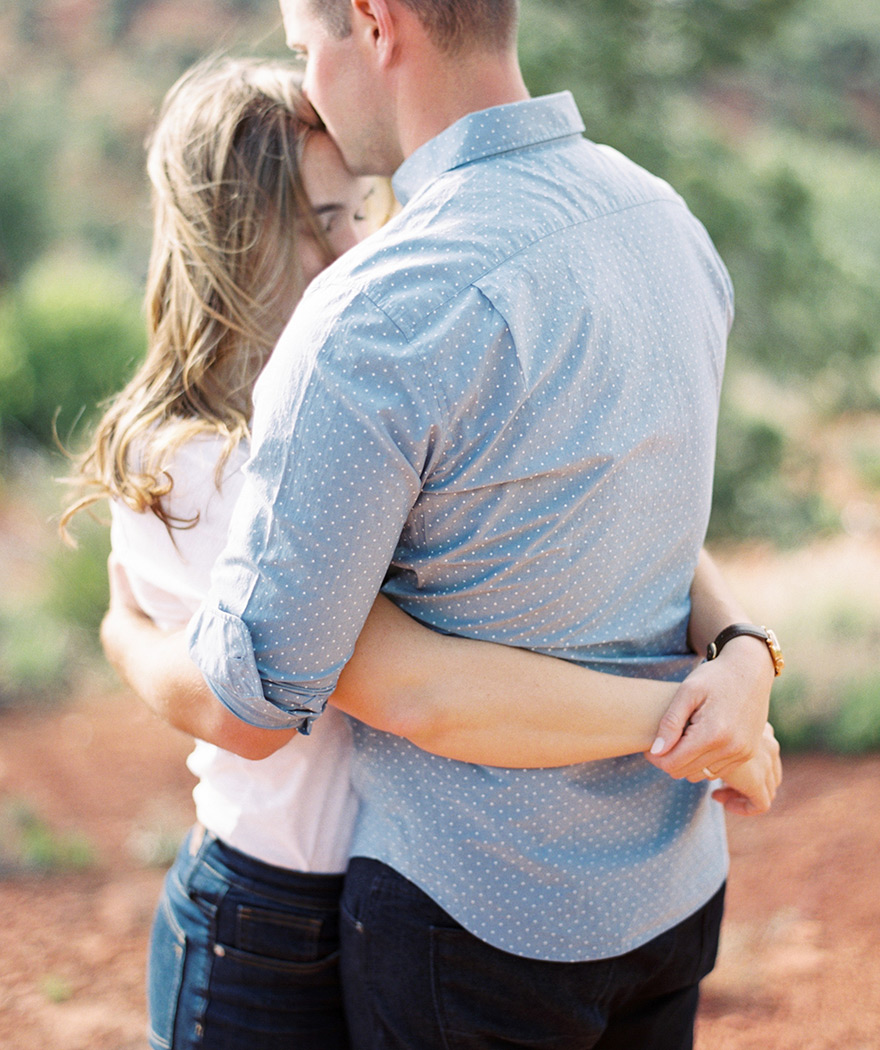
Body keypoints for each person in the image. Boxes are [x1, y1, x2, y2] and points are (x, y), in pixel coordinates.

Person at [67, 53, 778, 1050]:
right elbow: (369, 691)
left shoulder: (362, 417)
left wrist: (741, 650)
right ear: (228, 237)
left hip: (361, 895)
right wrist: (128, 642)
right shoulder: (209, 460)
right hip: (266, 915)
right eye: (319, 219)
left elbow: (623, 504)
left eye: (359, 211)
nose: (355, 244)